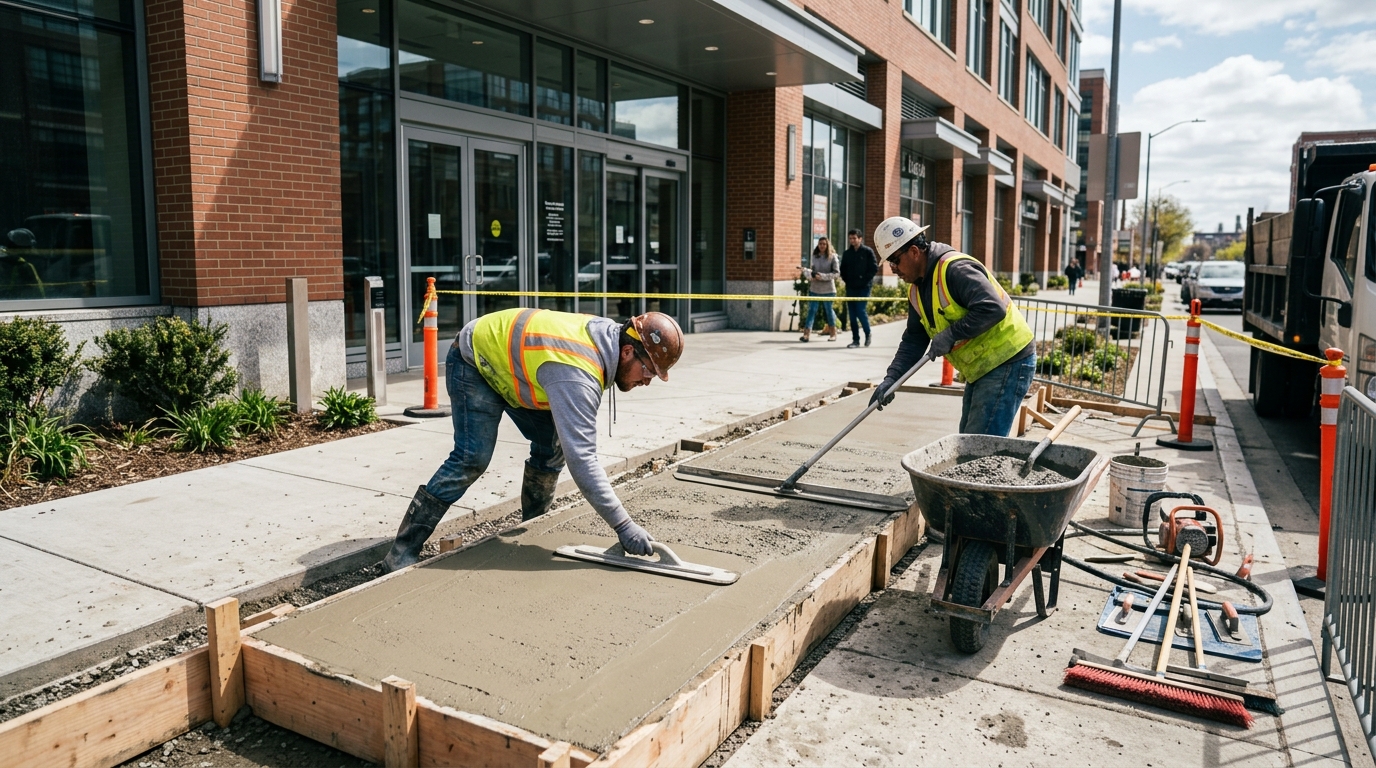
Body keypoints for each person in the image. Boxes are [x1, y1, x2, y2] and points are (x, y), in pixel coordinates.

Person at [380, 308, 683, 572]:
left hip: (516, 370)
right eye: (648, 371)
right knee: (471, 458)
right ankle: (401, 552)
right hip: (475, 361)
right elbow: (583, 459)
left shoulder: (611, 338)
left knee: (551, 449)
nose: (647, 381)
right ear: (628, 352)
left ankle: (531, 529)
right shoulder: (577, 371)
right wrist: (623, 526)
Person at [869, 216, 1036, 436]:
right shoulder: (916, 291)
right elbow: (914, 340)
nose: (893, 269)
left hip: (1008, 359)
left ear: (914, 251)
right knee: (968, 439)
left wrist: (951, 334)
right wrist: (892, 378)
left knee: (978, 443)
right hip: (983, 367)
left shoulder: (955, 269)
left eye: (894, 260)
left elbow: (992, 308)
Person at [840, 229, 879, 348]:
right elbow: (843, 270)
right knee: (852, 315)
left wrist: (865, 280)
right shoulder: (847, 253)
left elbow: (874, 268)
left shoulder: (867, 252)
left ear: (860, 239)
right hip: (851, 287)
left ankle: (868, 334)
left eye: (854, 238)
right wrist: (848, 280)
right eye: (850, 238)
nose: (852, 240)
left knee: (860, 311)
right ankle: (855, 340)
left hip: (864, 287)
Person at [800, 237, 840, 342]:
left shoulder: (833, 257)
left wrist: (822, 276)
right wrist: (808, 273)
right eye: (820, 244)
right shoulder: (814, 256)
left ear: (827, 245)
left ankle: (833, 333)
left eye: (824, 244)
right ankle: (806, 334)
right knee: (811, 311)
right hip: (815, 288)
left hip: (828, 290)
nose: (822, 246)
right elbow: (812, 270)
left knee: (829, 311)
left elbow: (836, 274)